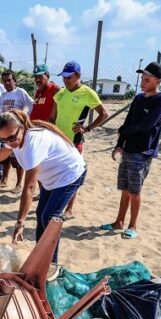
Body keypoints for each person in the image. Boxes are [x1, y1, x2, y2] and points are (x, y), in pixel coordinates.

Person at [0, 109, 86, 264]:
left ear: (22, 127)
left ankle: (51, 264)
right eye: (4, 140)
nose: (10, 143)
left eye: (12, 138)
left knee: (49, 218)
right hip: (52, 178)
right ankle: (39, 257)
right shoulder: (14, 138)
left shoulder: (33, 143)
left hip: (69, 175)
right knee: (40, 214)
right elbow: (3, 153)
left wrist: (20, 223)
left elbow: (29, 188)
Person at [99, 62, 161, 240]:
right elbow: (128, 121)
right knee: (125, 189)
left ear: (157, 81)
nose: (143, 82)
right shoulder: (138, 98)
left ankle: (132, 225)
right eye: (142, 79)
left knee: (135, 191)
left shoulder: (160, 100)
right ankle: (119, 222)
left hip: (143, 151)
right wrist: (120, 143)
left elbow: (147, 125)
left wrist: (124, 131)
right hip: (128, 149)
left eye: (147, 79)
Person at [52, 60, 108, 219]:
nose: (66, 80)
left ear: (78, 75)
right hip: (58, 141)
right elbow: (52, 117)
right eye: (63, 77)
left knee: (73, 174)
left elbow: (104, 114)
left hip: (74, 141)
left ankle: (69, 209)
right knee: (56, 173)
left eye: (69, 77)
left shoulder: (87, 93)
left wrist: (87, 128)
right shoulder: (61, 94)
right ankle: (57, 203)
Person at [0, 70, 33, 191]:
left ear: (14, 80)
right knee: (5, 158)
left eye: (9, 80)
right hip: (5, 132)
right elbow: (1, 110)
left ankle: (18, 185)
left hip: (16, 132)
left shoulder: (20, 92)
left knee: (17, 159)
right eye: (4, 80)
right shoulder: (4, 95)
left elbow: (31, 104)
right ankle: (4, 180)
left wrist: (25, 118)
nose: (7, 83)